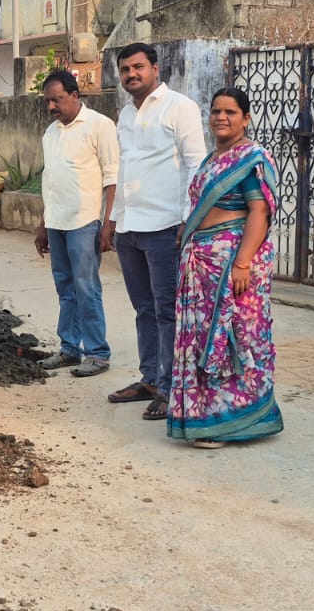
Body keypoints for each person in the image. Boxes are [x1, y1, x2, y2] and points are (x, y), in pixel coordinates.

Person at [168, 88, 285, 447]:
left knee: (233, 337)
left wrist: (243, 262)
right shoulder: (211, 160)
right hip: (201, 266)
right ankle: (204, 416)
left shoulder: (250, 158)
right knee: (201, 338)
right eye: (216, 111)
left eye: (230, 112)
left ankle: (233, 422)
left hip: (232, 266)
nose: (221, 117)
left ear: (245, 118)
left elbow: (259, 213)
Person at [104, 42, 208, 422]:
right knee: (143, 309)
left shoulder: (179, 107)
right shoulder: (125, 115)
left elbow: (197, 164)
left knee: (167, 311)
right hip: (131, 227)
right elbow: (123, 169)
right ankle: (150, 379)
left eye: (138, 67)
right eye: (126, 69)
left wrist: (187, 218)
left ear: (155, 68)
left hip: (166, 226)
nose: (132, 74)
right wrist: (114, 220)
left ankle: (169, 387)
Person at [33, 70, 119, 378]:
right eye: (48, 102)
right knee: (65, 288)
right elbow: (51, 182)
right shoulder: (51, 133)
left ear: (75, 95)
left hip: (85, 222)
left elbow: (112, 178)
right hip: (56, 222)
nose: (51, 107)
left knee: (86, 288)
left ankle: (97, 353)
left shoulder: (100, 126)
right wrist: (43, 224)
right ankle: (69, 349)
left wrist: (108, 224)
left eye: (56, 100)